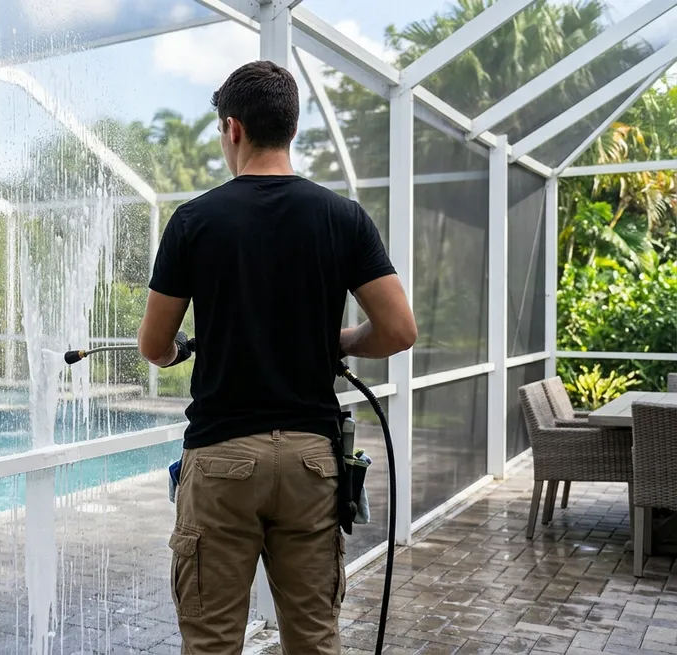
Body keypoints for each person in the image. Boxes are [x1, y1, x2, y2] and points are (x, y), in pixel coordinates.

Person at [136, 60, 416, 654]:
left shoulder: (194, 221)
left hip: (221, 459)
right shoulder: (342, 217)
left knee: (211, 641)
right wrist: (341, 342)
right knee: (314, 639)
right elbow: (397, 329)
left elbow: (154, 346)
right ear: (291, 129)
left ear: (233, 129)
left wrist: (179, 351)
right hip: (312, 462)